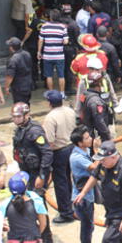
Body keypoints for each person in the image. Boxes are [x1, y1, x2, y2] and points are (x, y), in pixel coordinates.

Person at [74, 141, 122, 243]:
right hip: (111, 209)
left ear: (113, 157)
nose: (101, 162)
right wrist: (83, 193)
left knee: (108, 240)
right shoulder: (104, 163)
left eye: (103, 160)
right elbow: (94, 176)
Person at [10, 102, 55, 243]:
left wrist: (42, 176)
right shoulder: (20, 130)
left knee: (39, 205)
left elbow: (47, 153)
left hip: (36, 174)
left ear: (26, 115)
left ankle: (47, 240)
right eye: (14, 116)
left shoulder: (34, 131)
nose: (15, 119)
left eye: (18, 116)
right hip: (26, 172)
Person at [42, 90, 76, 223]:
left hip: (59, 151)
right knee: (69, 180)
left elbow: (49, 140)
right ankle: (71, 206)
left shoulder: (50, 118)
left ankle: (66, 213)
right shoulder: (69, 111)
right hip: (72, 147)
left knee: (61, 183)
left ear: (50, 103)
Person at [0, 171, 49, 243]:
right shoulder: (36, 201)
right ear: (26, 188)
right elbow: (43, 224)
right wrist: (36, 234)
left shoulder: (5, 205)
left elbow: (0, 226)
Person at [69, 127, 100, 243]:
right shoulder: (77, 157)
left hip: (87, 194)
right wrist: (98, 151)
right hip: (82, 198)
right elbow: (95, 168)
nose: (91, 139)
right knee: (87, 227)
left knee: (89, 225)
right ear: (79, 143)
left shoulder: (85, 150)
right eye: (87, 138)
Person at [81, 57, 116, 141]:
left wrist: (115, 105)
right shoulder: (84, 81)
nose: (99, 71)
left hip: (108, 112)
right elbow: (81, 98)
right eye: (96, 69)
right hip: (94, 119)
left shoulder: (105, 78)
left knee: (111, 135)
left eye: (99, 69)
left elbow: (112, 92)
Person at [38, 9, 69, 95]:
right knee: (61, 75)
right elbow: (66, 41)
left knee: (49, 75)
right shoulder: (63, 27)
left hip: (47, 55)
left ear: (50, 17)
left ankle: (51, 92)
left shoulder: (44, 26)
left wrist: (39, 52)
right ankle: (62, 93)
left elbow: (40, 40)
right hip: (59, 55)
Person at [4, 37, 34, 104]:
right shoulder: (27, 54)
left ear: (11, 48)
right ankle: (27, 114)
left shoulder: (13, 60)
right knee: (26, 103)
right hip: (28, 84)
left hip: (18, 87)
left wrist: (6, 87)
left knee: (19, 105)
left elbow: (10, 76)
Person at [60, 4, 81, 95]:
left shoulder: (58, 23)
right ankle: (68, 88)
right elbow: (77, 38)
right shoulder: (73, 24)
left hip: (59, 48)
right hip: (70, 48)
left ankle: (62, 87)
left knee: (61, 68)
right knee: (69, 68)